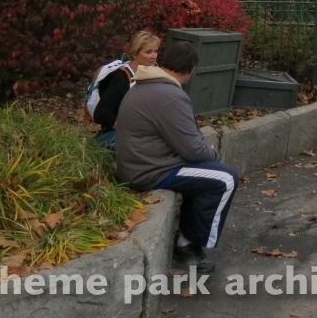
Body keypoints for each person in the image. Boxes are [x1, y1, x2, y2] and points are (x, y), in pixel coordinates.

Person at [116, 41, 239, 273]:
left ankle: (187, 234)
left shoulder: (148, 85)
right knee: (225, 179)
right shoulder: (170, 95)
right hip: (150, 171)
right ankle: (188, 246)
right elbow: (192, 149)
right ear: (192, 69)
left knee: (208, 173)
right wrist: (212, 153)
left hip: (140, 164)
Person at [88, 31, 160, 149]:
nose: (154, 56)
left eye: (155, 51)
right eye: (148, 52)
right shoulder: (122, 78)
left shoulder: (155, 71)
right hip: (123, 136)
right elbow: (101, 114)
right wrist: (133, 128)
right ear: (135, 54)